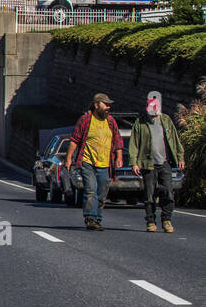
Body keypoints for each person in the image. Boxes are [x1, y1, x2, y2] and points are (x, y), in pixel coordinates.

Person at [63, 92, 124, 231]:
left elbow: (117, 140)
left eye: (109, 105)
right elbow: (74, 140)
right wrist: (68, 159)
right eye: (105, 104)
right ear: (96, 105)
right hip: (87, 162)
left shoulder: (111, 121)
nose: (108, 107)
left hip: (105, 164)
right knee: (91, 190)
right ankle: (90, 218)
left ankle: (97, 218)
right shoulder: (85, 120)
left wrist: (119, 157)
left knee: (102, 193)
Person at [129, 91, 185, 233]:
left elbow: (175, 139)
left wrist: (180, 157)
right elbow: (134, 143)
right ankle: (150, 221)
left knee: (168, 192)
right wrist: (134, 162)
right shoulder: (140, 122)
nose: (153, 115)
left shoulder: (166, 120)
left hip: (164, 162)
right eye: (150, 112)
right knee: (149, 194)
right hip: (148, 163)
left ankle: (166, 219)